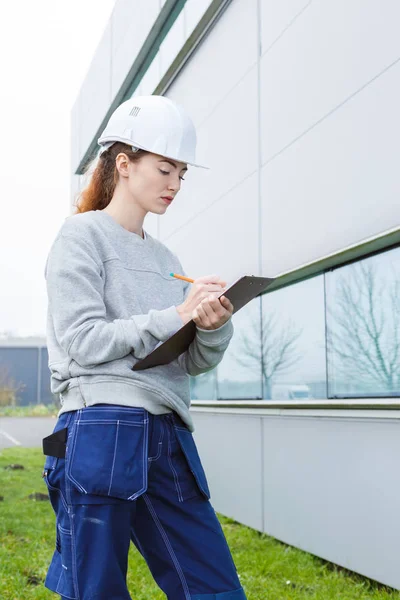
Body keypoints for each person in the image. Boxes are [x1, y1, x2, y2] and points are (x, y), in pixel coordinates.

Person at [42, 94, 247, 600]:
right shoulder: (81, 235)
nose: (175, 184)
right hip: (101, 425)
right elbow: (81, 340)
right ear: (124, 164)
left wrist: (211, 324)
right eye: (165, 168)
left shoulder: (166, 258)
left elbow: (190, 360)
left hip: (167, 431)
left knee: (213, 588)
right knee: (97, 590)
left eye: (182, 173)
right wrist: (175, 314)